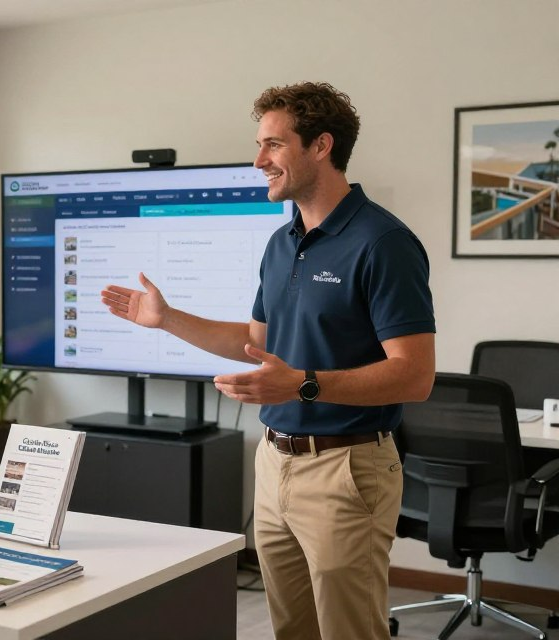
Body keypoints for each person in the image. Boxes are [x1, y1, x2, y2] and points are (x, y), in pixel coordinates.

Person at [101, 82, 435, 640]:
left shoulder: (384, 242)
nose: (259, 161)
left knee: (349, 632)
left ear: (321, 146)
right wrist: (168, 319)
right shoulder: (281, 242)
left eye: (274, 146)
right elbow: (255, 340)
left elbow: (415, 375)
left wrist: (301, 385)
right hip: (275, 463)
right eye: (260, 145)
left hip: (346, 469)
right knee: (291, 631)